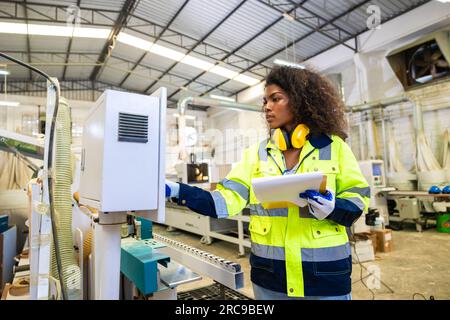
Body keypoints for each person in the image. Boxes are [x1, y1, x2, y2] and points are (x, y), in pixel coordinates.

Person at [166, 66, 370, 300]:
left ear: (300, 101)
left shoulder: (334, 148)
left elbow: (358, 199)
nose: (267, 107)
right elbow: (225, 201)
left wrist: (335, 208)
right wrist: (177, 190)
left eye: (276, 99)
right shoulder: (257, 154)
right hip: (271, 279)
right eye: (265, 101)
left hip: (324, 279)